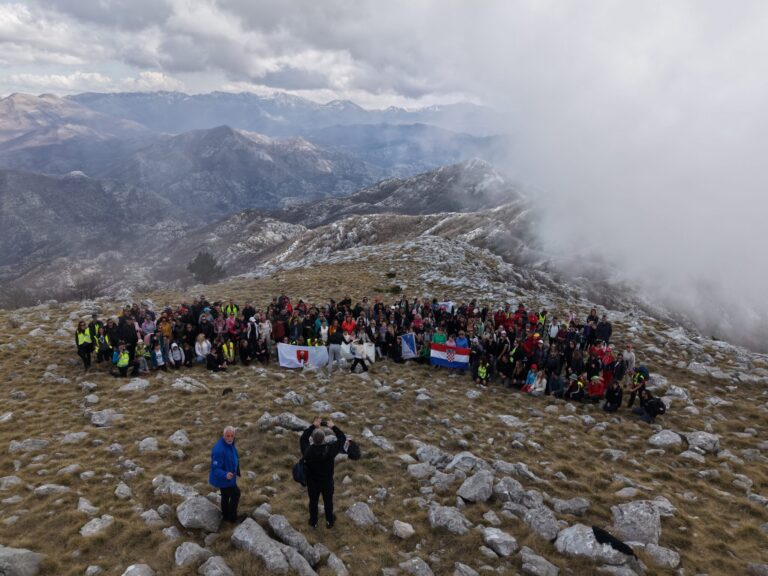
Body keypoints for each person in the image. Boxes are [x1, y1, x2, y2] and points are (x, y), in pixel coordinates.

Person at [299, 417, 346, 529]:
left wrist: (313, 426)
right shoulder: (330, 450)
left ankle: (313, 522)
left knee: (313, 502)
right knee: (328, 502)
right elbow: (342, 438)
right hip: (327, 482)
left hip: (312, 483)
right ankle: (330, 521)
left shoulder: (307, 450)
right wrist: (333, 426)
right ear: (324, 438)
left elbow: (303, 438)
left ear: (313, 439)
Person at [209, 426, 241, 523]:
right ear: (223, 436)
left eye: (232, 436)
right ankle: (232, 518)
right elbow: (215, 468)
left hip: (229, 476)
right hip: (224, 478)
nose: (230, 438)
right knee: (236, 493)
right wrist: (225, 474)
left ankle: (226, 516)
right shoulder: (219, 450)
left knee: (225, 495)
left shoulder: (229, 444)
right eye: (228, 436)